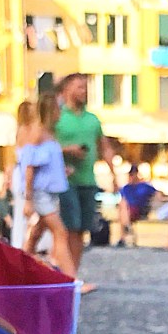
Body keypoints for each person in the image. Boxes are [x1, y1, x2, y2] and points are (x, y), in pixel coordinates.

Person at [53, 73, 119, 283]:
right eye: (79, 87)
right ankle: (68, 277)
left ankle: (71, 275)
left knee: (81, 230)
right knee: (70, 228)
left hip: (88, 181)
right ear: (67, 90)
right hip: (64, 182)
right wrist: (67, 150)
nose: (84, 91)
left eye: (85, 87)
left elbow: (104, 147)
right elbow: (44, 146)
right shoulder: (58, 117)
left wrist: (114, 174)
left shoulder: (93, 120)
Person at [21, 93, 75, 277]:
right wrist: (28, 199)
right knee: (60, 232)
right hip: (41, 193)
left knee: (36, 233)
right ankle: (71, 279)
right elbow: (29, 166)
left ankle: (20, 268)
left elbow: (45, 163)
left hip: (49, 192)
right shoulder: (38, 134)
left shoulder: (50, 134)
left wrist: (61, 171)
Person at [11, 100, 39, 248]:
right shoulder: (30, 132)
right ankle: (30, 243)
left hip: (18, 173)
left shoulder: (19, 131)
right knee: (33, 208)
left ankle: (19, 242)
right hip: (26, 172)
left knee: (20, 212)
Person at [116, 165, 159, 247]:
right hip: (127, 210)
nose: (132, 177)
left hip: (139, 210)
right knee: (123, 206)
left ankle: (124, 233)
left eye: (133, 174)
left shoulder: (145, 186)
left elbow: (158, 194)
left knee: (123, 208)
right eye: (131, 175)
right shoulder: (125, 188)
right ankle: (126, 227)